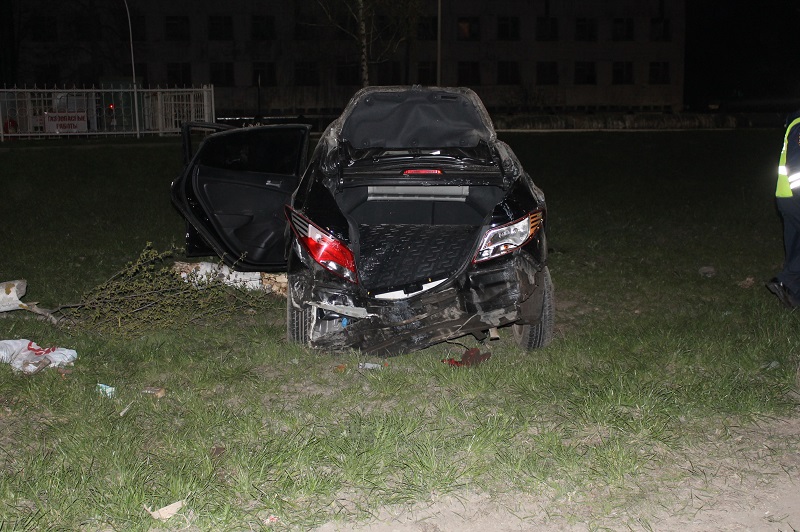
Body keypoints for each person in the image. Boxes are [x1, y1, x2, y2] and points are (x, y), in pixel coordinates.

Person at [767, 110, 800, 308]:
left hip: (787, 196)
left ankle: (792, 296)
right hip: (795, 196)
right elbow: (796, 166)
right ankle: (786, 281)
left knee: (795, 244)